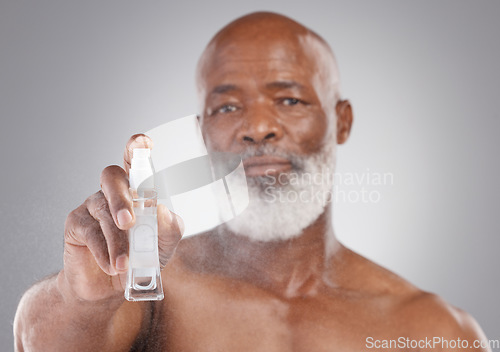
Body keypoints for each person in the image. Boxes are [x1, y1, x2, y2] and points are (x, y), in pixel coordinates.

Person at [14, 11, 490, 352]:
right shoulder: (152, 292)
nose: (257, 127)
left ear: (341, 122)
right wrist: (82, 296)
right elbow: (40, 340)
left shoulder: (435, 332)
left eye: (290, 100)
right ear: (203, 133)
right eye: (227, 106)